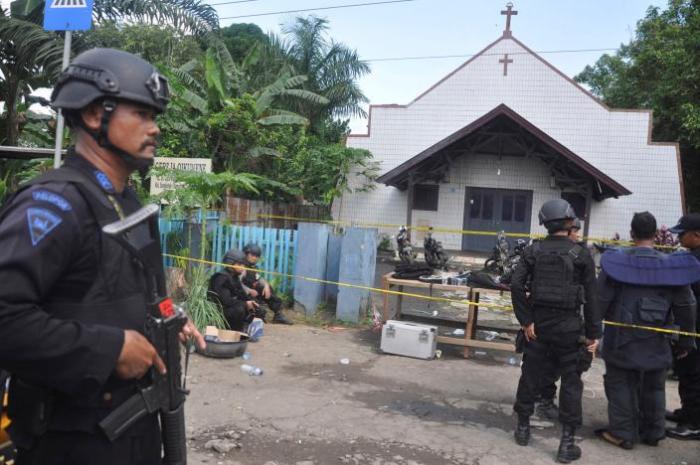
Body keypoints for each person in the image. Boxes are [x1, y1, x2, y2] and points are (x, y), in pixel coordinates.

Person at [0, 48, 204, 464]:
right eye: (143, 115)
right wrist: (107, 350)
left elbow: (136, 290)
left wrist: (170, 315)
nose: (155, 129)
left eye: (156, 117)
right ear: (96, 115)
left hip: (132, 436)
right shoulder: (54, 204)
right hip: (71, 443)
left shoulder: (126, 203)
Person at [595, 212, 699, 450]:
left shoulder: (616, 263)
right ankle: (653, 432)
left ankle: (623, 433)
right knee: (654, 385)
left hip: (621, 341)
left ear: (632, 234)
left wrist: (590, 332)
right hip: (658, 341)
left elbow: (599, 300)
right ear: (656, 235)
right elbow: (686, 306)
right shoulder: (673, 267)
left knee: (620, 383)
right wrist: (685, 341)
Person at [511, 199, 600, 463]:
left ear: (544, 224)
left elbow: (516, 285)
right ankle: (566, 443)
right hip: (569, 328)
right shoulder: (581, 254)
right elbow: (593, 298)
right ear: (570, 222)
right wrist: (594, 335)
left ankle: (523, 429)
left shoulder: (532, 250)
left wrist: (526, 321)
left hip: (538, 326)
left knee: (530, 375)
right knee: (571, 383)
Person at [532, 217, 586, 421]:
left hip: (565, 322)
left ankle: (546, 403)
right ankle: (545, 402)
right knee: (552, 366)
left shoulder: (579, 255)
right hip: (557, 324)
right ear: (566, 230)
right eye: (575, 230)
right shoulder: (543, 251)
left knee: (562, 368)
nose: (578, 235)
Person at [666, 213, 700, 440]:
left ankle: (694, 423)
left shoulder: (696, 262)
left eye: (682, 234)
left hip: (696, 329)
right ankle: (686, 412)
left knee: (694, 375)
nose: (678, 238)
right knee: (686, 372)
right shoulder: (693, 257)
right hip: (691, 326)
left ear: (696, 236)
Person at [209, 249, 263, 331]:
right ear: (230, 263)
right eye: (239, 264)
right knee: (239, 308)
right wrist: (245, 304)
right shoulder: (221, 278)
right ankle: (234, 331)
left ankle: (244, 327)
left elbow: (241, 294)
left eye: (243, 264)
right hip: (217, 312)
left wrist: (251, 303)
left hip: (228, 307)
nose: (243, 267)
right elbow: (226, 301)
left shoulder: (234, 277)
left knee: (255, 307)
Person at [242, 243, 293, 325]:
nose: (255, 258)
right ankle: (256, 316)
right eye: (252, 255)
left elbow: (258, 278)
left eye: (257, 256)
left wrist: (266, 285)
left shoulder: (253, 268)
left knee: (266, 286)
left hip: (253, 293)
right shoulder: (241, 267)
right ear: (246, 253)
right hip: (243, 295)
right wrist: (249, 290)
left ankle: (278, 314)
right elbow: (236, 284)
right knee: (260, 311)